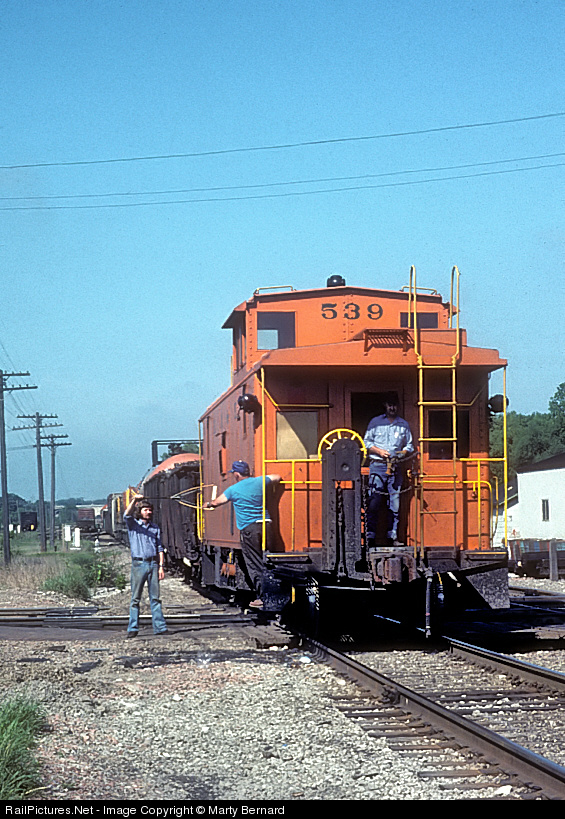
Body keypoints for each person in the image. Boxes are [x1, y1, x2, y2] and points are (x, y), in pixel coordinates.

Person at [206, 461, 282, 609]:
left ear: (236, 474)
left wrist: (207, 504)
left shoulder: (233, 490)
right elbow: (277, 477)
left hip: (250, 529)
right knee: (271, 561)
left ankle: (264, 597)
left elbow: (217, 502)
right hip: (267, 525)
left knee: (254, 563)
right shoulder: (260, 481)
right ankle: (277, 593)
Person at [363, 394, 414, 547]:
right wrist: (380, 452)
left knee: (395, 502)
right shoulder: (375, 422)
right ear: (385, 405)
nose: (392, 408)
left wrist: (403, 453)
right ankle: (370, 537)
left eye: (395, 405)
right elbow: (366, 442)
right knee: (374, 501)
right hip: (377, 465)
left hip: (396, 467)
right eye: (389, 405)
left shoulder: (403, 425)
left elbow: (409, 445)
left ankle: (393, 537)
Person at [123, 493, 168, 637]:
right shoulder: (133, 526)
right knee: (135, 598)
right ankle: (133, 628)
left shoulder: (155, 528)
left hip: (153, 564)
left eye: (150, 510)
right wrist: (134, 500)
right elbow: (126, 515)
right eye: (145, 510)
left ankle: (160, 628)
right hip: (139, 564)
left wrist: (161, 566)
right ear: (139, 511)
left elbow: (160, 548)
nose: (148, 512)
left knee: (155, 598)